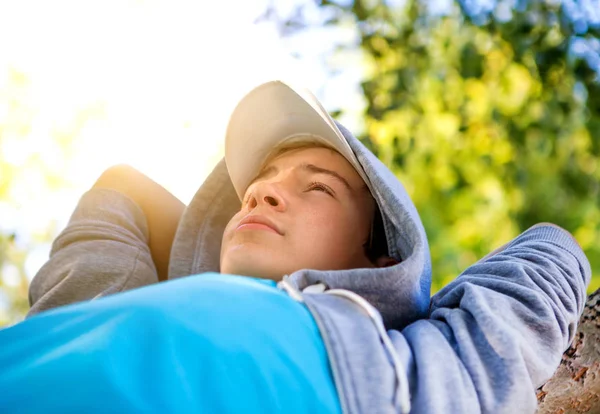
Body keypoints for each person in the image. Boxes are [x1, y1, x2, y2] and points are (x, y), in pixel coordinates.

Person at [0, 80, 591, 414]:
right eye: (259, 184)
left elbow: (550, 251)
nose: (260, 194)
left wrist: (396, 300)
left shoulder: (414, 366)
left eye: (317, 186)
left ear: (379, 257)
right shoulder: (96, 305)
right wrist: (205, 274)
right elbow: (119, 191)